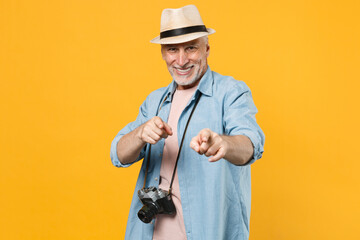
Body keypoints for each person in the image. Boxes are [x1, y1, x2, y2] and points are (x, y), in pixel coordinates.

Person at [110, 5, 265, 240]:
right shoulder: (155, 101)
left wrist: (223, 143)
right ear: (163, 53)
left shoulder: (231, 92)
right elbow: (118, 154)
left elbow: (251, 144)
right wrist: (140, 133)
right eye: (173, 49)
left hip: (208, 231)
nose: (181, 60)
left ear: (207, 49)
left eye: (191, 48)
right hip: (150, 233)